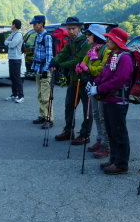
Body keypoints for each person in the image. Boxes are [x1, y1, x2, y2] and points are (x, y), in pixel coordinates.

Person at [86, 27, 134, 175]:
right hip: (109, 99)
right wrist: (95, 83)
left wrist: (99, 89)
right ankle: (114, 159)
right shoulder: (113, 55)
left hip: (118, 100)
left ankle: (121, 164)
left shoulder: (125, 57)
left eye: (109, 39)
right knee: (112, 131)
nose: (106, 40)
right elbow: (104, 73)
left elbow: (119, 80)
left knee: (119, 132)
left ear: (117, 41)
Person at [50, 17, 92, 144]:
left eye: (73, 28)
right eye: (69, 29)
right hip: (73, 80)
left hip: (85, 80)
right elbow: (63, 53)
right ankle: (69, 131)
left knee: (87, 109)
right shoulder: (71, 42)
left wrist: (60, 64)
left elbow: (78, 60)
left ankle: (85, 134)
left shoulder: (86, 43)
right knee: (69, 106)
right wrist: (55, 60)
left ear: (80, 28)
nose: (71, 31)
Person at [75, 24, 112, 158]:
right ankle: (99, 141)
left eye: (89, 34)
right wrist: (80, 66)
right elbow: (84, 62)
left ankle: (106, 145)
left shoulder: (105, 51)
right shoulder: (92, 50)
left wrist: (88, 69)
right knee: (96, 114)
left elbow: (104, 70)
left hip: (101, 88)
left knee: (102, 116)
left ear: (96, 36)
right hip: (92, 86)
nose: (87, 37)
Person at [29, 15, 54, 129]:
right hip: (38, 70)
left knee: (46, 96)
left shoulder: (47, 37)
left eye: (35, 24)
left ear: (41, 24)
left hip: (45, 71)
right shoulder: (38, 36)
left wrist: (46, 70)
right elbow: (36, 54)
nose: (34, 26)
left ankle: (49, 118)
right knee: (40, 94)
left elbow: (49, 56)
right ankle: (42, 115)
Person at [4, 19, 25, 103]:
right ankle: (14, 94)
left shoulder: (19, 34)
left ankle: (21, 95)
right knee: (12, 77)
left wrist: (9, 42)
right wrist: (8, 42)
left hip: (16, 58)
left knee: (17, 78)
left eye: (12, 24)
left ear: (14, 25)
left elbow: (12, 44)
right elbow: (5, 41)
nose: (11, 25)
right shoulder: (13, 34)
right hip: (11, 58)